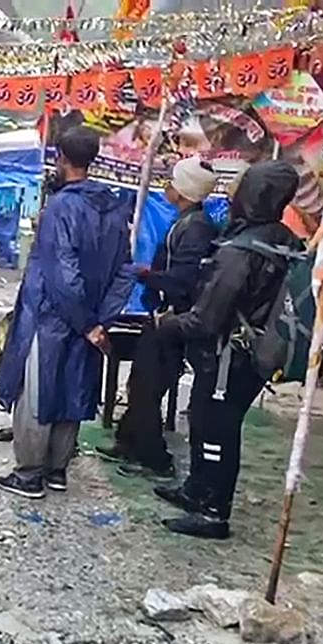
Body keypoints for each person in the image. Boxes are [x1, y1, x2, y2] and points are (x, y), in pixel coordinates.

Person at [154, 161, 299, 539]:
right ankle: (197, 489)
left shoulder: (242, 250)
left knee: (217, 428)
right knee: (205, 420)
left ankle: (214, 512)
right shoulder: (283, 238)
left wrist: (166, 325)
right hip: (249, 354)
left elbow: (206, 318)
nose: (231, 193)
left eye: (239, 186)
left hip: (228, 356)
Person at [0, 127, 135, 499]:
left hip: (52, 316)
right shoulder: (115, 209)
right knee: (73, 390)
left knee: (38, 394)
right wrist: (101, 320)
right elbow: (125, 270)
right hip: (90, 320)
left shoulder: (60, 207)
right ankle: (57, 469)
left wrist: (86, 321)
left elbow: (62, 272)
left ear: (63, 160)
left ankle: (29, 474)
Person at [109, 156, 219, 479]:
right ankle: (128, 440)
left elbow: (184, 280)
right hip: (165, 313)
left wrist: (148, 276)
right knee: (143, 382)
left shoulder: (195, 228)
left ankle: (155, 458)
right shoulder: (186, 221)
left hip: (174, 318)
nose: (167, 186)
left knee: (147, 385)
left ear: (183, 191)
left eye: (172, 181)